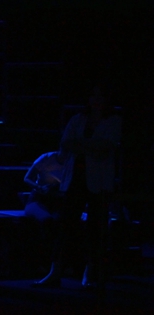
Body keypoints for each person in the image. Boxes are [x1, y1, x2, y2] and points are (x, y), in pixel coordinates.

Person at [33, 84, 122, 288]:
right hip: (75, 179)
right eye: (93, 95)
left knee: (96, 227)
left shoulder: (113, 121)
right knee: (65, 226)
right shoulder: (78, 119)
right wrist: (91, 146)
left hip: (99, 181)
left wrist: (81, 145)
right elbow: (66, 144)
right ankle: (56, 270)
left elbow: (105, 147)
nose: (96, 99)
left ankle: (90, 272)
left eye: (100, 95)